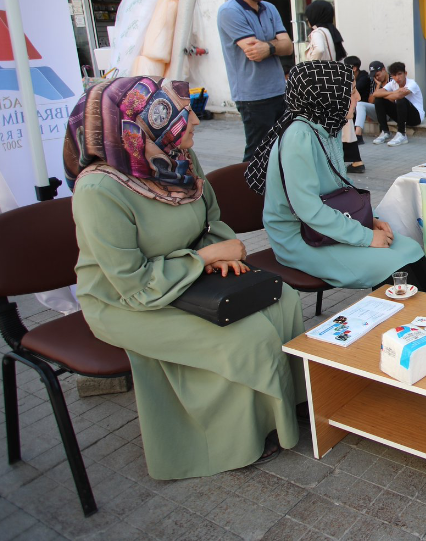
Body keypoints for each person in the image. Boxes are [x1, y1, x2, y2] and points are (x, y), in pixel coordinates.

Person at [66, 76, 306, 478]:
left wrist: (217, 255)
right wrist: (205, 257)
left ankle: (284, 407)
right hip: (124, 301)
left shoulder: (178, 158)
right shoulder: (99, 191)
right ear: (139, 126)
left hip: (187, 274)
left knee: (285, 300)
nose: (194, 118)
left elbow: (210, 219)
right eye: (180, 112)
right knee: (243, 337)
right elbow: (132, 282)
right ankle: (236, 441)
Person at [247, 60, 426, 290]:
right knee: (392, 266)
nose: (357, 98)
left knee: (412, 249)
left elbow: (342, 188)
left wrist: (370, 220)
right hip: (300, 237)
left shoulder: (328, 126)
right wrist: (366, 237)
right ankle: (411, 323)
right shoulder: (299, 137)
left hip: (328, 224)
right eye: (351, 92)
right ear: (327, 97)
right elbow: (309, 210)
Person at [217, 0, 294, 163]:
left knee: (282, 150)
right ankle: (247, 194)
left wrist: (268, 46)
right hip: (253, 96)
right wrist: (275, 45)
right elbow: (254, 52)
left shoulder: (269, 8)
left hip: (279, 90)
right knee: (257, 155)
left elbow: (288, 46)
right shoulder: (230, 11)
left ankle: (276, 193)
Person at [372, 62, 425, 146]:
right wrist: (395, 92)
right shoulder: (392, 83)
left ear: (405, 73)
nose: (397, 78)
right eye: (394, 75)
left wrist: (392, 94)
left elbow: (399, 96)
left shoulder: (412, 84)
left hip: (415, 117)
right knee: (378, 99)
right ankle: (385, 131)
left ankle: (402, 134)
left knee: (400, 99)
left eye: (399, 74)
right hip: (401, 115)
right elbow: (375, 94)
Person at [357, 60, 382, 139]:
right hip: (379, 111)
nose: (377, 77)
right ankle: (358, 134)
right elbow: (371, 101)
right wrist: (378, 86)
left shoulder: (392, 80)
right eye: (375, 76)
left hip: (390, 113)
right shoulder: (374, 82)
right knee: (360, 104)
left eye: (378, 74)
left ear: (383, 70)